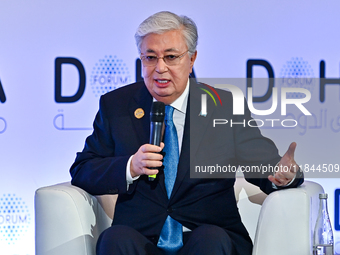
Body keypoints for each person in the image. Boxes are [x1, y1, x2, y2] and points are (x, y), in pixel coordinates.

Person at [70, 11, 303, 255]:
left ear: (191, 60)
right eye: (150, 58)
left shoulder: (224, 105)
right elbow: (83, 169)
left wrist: (282, 174)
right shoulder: (117, 105)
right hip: (142, 238)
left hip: (207, 237)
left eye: (171, 57)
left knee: (210, 239)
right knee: (114, 239)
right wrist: (130, 166)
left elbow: (262, 163)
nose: (160, 68)